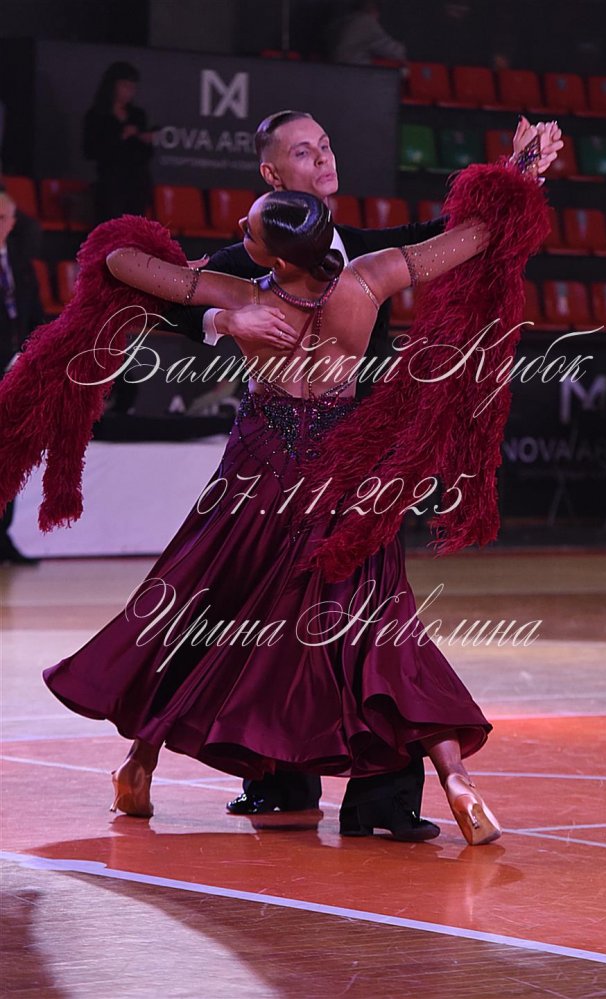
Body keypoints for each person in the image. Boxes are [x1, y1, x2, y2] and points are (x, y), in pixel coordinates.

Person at [36, 128, 554, 849]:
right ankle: (458, 780)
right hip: (344, 471)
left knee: (203, 602)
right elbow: (475, 235)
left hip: (258, 470)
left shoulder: (242, 290)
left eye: (247, 229)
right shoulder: (369, 279)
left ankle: (139, 764)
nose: (238, 229)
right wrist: (520, 173)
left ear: (275, 255)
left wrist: (226, 314)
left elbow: (120, 262)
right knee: (381, 623)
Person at [0, 185, 43, 565]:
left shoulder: (19, 260)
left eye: (2, 218)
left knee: (10, 456)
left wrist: (30, 356)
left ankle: (3, 535)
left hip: (15, 374)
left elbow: (34, 316)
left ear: (13, 222)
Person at [83, 61, 155, 223]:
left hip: (137, 184)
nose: (129, 92)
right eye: (124, 86)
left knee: (133, 228)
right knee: (112, 227)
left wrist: (145, 139)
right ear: (112, 85)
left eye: (132, 87)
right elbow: (90, 150)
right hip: (111, 184)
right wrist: (120, 136)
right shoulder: (96, 115)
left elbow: (146, 154)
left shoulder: (137, 115)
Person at [328, 1, 406, 66]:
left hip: (333, 72)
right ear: (374, 11)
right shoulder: (368, 24)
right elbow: (396, 52)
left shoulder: (344, 22)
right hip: (356, 73)